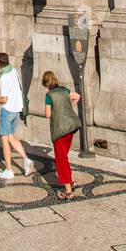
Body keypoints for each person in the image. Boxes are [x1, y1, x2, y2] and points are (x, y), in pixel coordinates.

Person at [0, 51, 33, 181]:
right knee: (11, 137)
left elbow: (5, 99)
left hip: (7, 110)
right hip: (17, 109)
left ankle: (8, 170)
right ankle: (26, 160)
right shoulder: (13, 71)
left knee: (4, 139)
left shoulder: (4, 77)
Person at [42, 70, 82, 200]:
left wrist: (57, 113)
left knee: (60, 160)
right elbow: (77, 96)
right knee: (64, 156)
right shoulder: (64, 90)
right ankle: (71, 180)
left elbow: (48, 114)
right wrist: (69, 107)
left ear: (47, 84)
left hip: (60, 130)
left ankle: (68, 191)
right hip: (71, 127)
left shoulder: (49, 95)